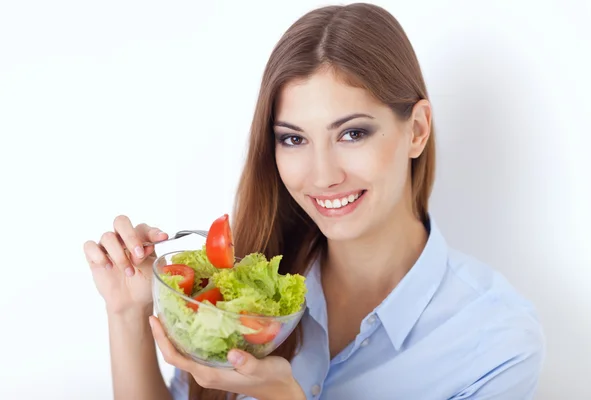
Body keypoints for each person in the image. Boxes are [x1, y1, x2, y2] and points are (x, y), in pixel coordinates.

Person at [83, 3, 545, 400]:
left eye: (352, 133)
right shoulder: (241, 286)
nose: (323, 176)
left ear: (417, 130)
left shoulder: (496, 339)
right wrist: (126, 311)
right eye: (293, 139)